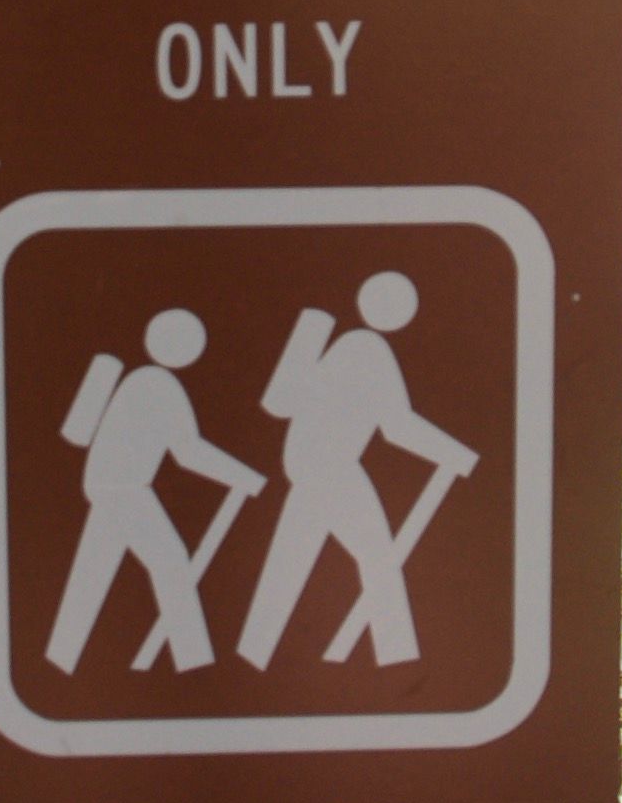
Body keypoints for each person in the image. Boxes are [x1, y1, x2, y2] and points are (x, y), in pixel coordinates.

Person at [236, 271, 478, 669]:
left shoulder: (344, 347)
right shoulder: (368, 350)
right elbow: (396, 425)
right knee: (378, 559)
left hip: (308, 469)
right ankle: (398, 661)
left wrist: (452, 455)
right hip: (332, 471)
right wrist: (456, 455)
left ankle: (251, 657)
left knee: (288, 564)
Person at [49, 308, 258, 675]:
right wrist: (244, 477)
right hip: (125, 490)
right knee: (172, 564)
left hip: (107, 487)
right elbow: (188, 451)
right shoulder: (158, 384)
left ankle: (59, 660)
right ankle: (196, 665)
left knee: (92, 574)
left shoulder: (140, 379)